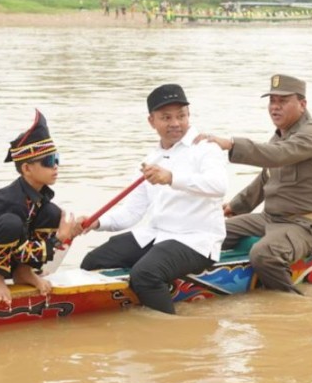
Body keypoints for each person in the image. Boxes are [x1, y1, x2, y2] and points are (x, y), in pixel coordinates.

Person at [80, 84, 228, 315]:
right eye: (166, 117)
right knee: (93, 261)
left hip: (196, 240)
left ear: (189, 115)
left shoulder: (206, 148)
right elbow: (132, 212)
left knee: (145, 274)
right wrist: (95, 223)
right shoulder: (152, 157)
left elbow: (219, 187)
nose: (175, 123)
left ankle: (168, 334)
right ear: (152, 121)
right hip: (158, 235)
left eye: (181, 116)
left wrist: (171, 178)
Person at [200, 74, 312, 295]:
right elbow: (266, 177)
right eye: (272, 101)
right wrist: (235, 206)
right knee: (209, 229)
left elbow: (276, 155)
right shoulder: (280, 136)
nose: (275, 107)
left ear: (302, 104)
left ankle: (292, 303)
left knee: (263, 254)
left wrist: (231, 144)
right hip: (272, 218)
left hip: (309, 225)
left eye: (283, 101)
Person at [0, 110, 80, 302]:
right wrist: (58, 239)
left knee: (52, 213)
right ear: (27, 169)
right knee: (11, 222)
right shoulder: (11, 200)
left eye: (56, 159)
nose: (55, 166)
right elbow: (19, 247)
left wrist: (70, 230)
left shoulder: (39, 198)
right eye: (48, 161)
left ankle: (24, 272)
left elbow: (23, 246)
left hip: (13, 251)